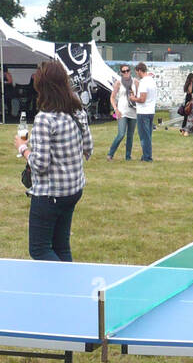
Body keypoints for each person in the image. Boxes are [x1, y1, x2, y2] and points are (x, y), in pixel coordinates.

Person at [17, 61, 93, 261]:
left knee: (39, 249)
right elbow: (89, 149)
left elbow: (40, 165)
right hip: (73, 189)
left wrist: (23, 148)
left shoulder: (45, 118)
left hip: (50, 194)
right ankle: (68, 288)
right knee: (61, 246)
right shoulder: (77, 111)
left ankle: (64, 288)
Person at [107, 63, 137, 161]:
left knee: (130, 135)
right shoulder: (118, 83)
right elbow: (112, 97)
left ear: (130, 71)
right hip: (122, 111)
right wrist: (116, 109)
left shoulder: (135, 82)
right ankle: (110, 154)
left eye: (127, 70)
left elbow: (140, 94)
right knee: (121, 134)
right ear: (121, 73)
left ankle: (128, 156)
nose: (126, 73)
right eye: (124, 71)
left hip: (133, 111)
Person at [133, 62, 156, 161]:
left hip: (143, 112)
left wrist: (133, 99)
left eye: (136, 72)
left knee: (144, 136)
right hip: (151, 111)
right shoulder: (152, 81)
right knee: (148, 135)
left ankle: (147, 157)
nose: (136, 75)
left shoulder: (143, 82)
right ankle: (146, 155)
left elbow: (142, 99)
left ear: (139, 71)